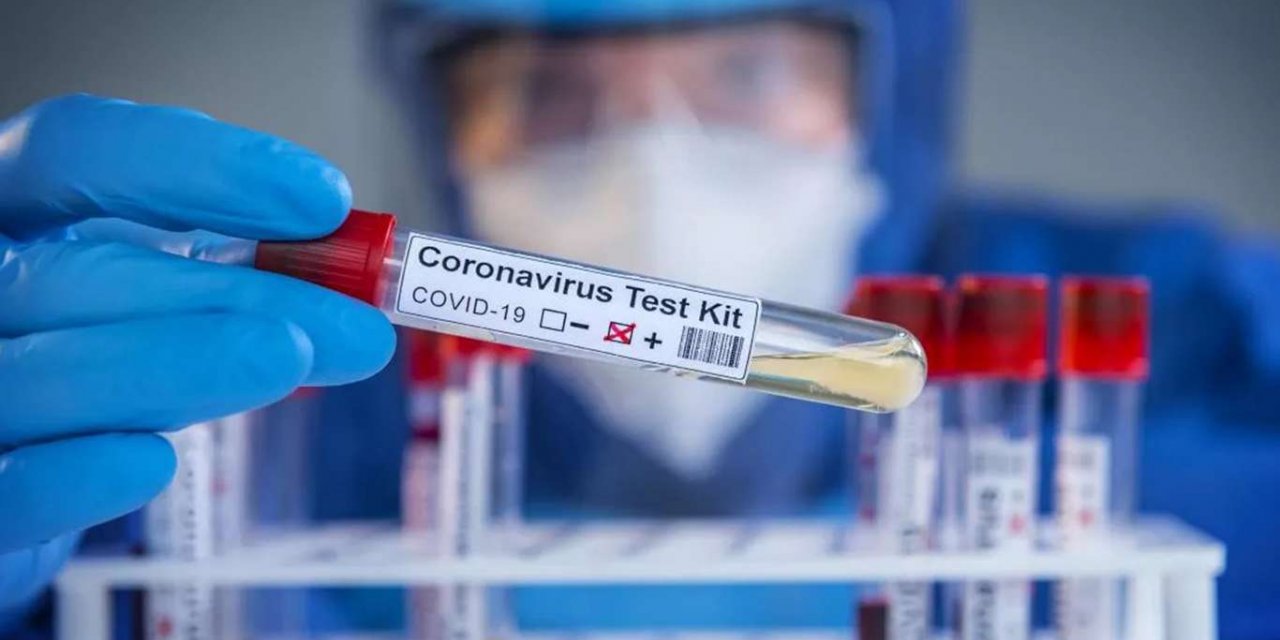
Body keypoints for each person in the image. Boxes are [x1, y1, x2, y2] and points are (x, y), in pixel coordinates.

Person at [3, 0, 1280, 637]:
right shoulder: (209, 381)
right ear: (437, 124)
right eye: (542, 89)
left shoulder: (1211, 340)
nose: (647, 160)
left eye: (742, 70)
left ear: (889, 86)